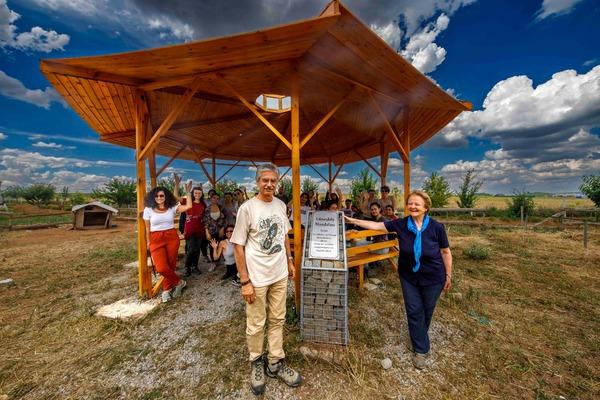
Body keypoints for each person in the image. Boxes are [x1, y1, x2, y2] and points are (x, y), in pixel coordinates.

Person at [345, 190, 452, 370]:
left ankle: (418, 336)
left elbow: (445, 252)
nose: (413, 206)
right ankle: (421, 349)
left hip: (433, 277)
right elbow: (377, 226)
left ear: (426, 207)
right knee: (413, 310)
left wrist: (448, 275)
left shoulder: (437, 227)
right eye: (410, 203)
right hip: (408, 276)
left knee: (427, 310)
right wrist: (354, 220)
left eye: (417, 204)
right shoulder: (401, 224)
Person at [231, 163, 302, 395]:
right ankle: (256, 362)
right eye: (265, 180)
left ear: (277, 182)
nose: (269, 184)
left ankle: (275, 362)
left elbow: (283, 237)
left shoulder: (281, 205)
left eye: (273, 181)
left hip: (280, 273)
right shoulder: (247, 208)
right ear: (257, 182)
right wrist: (245, 281)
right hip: (257, 277)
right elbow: (238, 246)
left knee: (278, 318)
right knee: (256, 322)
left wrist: (290, 261)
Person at [143, 182, 193, 303]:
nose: (159, 198)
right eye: (157, 196)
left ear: (166, 196)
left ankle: (166, 290)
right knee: (161, 268)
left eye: (162, 196)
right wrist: (148, 242)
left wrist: (187, 192)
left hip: (171, 237)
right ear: (153, 197)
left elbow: (188, 207)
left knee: (170, 265)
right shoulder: (148, 209)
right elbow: (147, 229)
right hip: (155, 238)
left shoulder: (172, 208)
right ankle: (179, 282)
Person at [182, 186, 208, 277]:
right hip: (190, 229)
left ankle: (195, 266)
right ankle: (187, 267)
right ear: (193, 193)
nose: (197, 195)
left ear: (202, 194)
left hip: (199, 230)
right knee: (191, 249)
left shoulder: (203, 204)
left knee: (197, 250)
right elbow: (176, 197)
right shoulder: (187, 202)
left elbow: (204, 217)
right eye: (195, 193)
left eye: (199, 193)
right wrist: (178, 185)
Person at [204, 192, 226, 272]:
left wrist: (222, 229)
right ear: (211, 199)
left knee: (221, 245)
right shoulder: (207, 208)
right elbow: (205, 221)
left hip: (220, 231)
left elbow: (224, 219)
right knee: (212, 246)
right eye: (214, 198)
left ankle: (220, 260)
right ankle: (213, 262)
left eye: (217, 198)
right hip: (211, 231)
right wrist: (207, 232)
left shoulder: (221, 208)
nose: (216, 199)